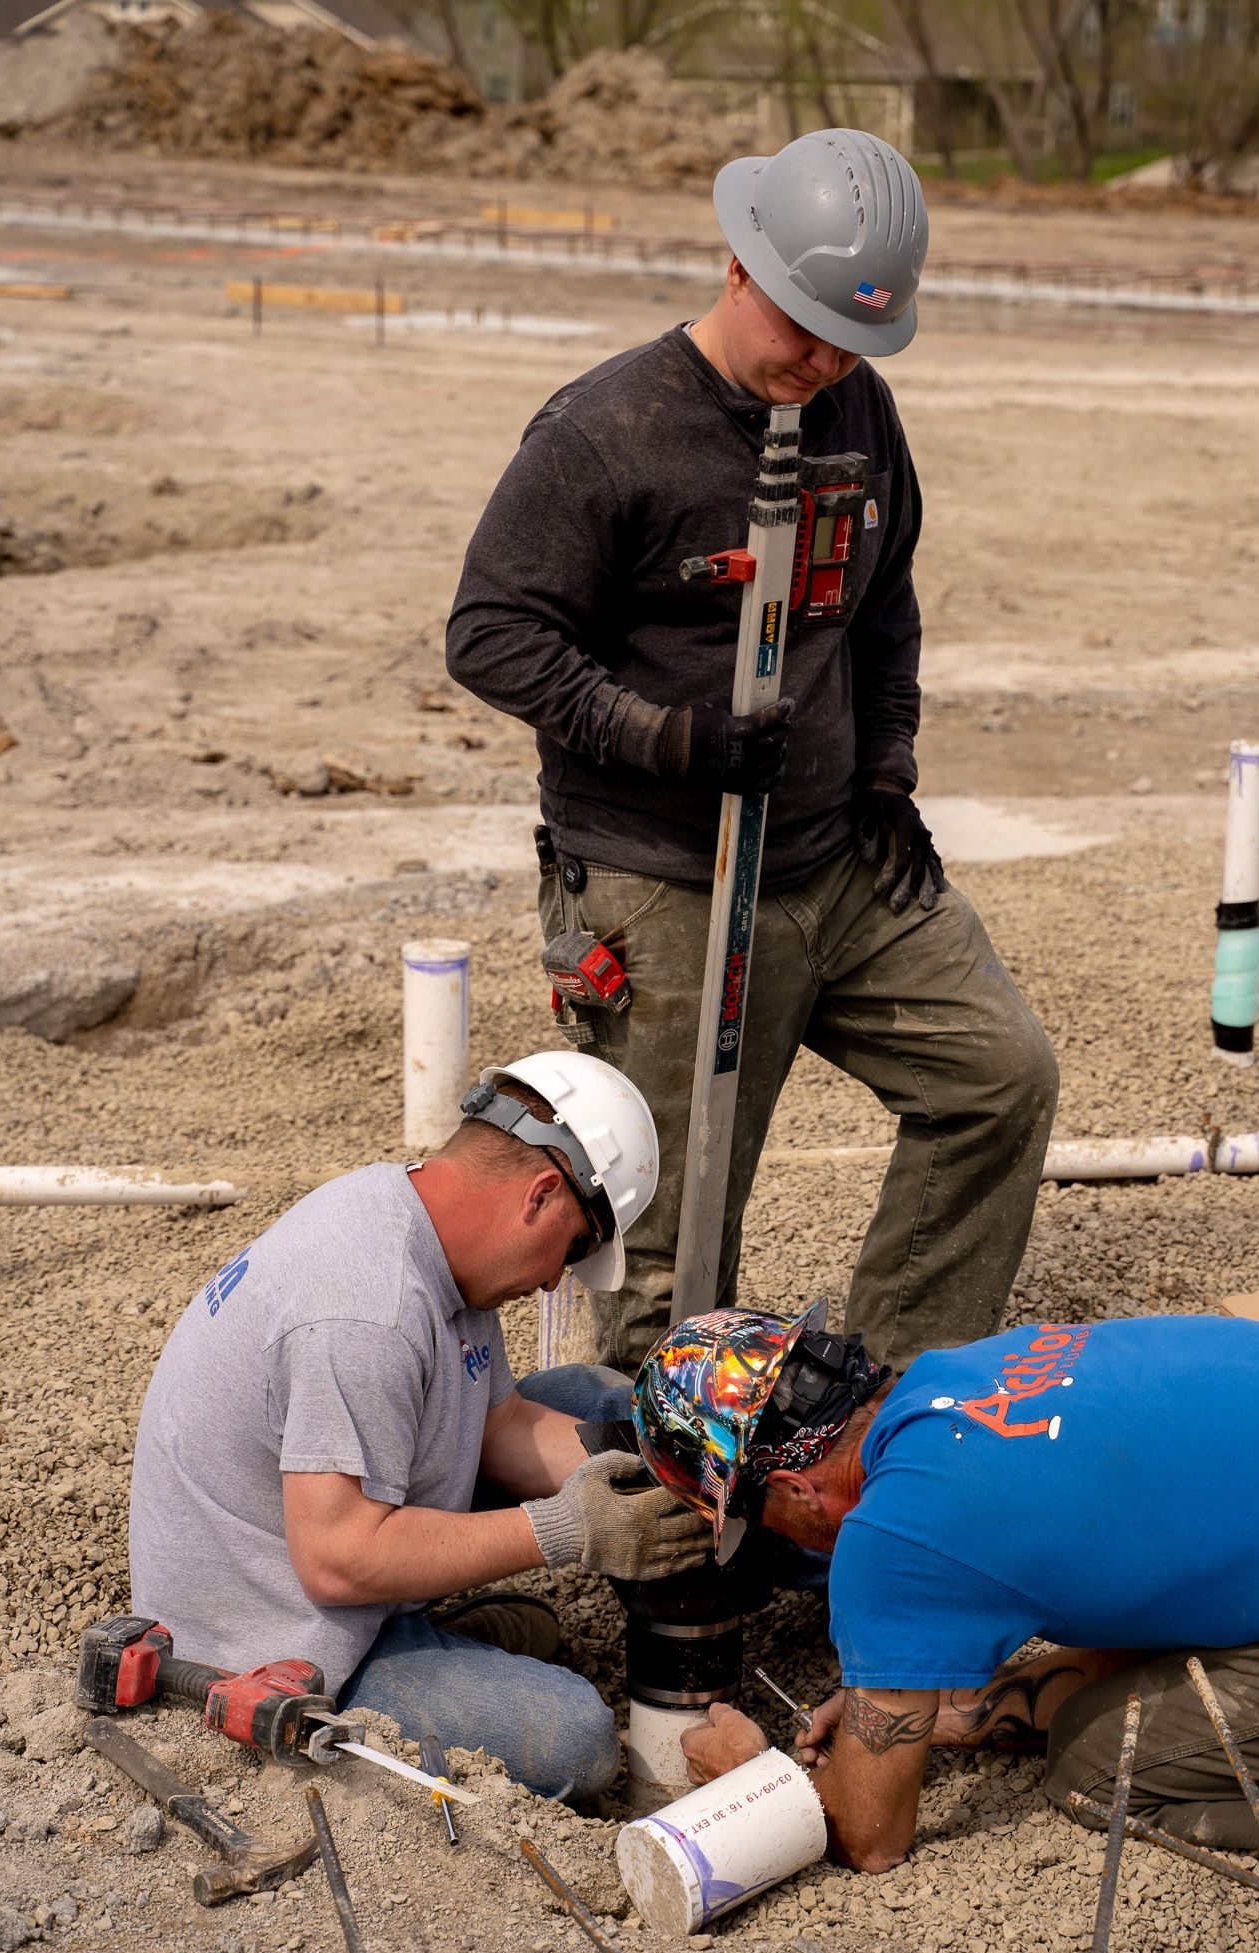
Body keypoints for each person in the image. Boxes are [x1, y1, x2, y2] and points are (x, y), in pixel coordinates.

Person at [446, 129, 1058, 1378]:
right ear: (739, 265)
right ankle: (667, 1469)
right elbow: (491, 635)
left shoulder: (855, 406)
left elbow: (884, 602)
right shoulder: (605, 431)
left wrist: (887, 771)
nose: (823, 362)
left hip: (837, 858)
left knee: (998, 1077)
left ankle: (885, 1403)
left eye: (851, 341)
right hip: (666, 874)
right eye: (805, 327)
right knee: (674, 1231)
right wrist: (666, 737)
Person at [128, 1052, 709, 1801]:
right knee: (574, 1740)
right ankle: (419, 1645)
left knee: (598, 1406)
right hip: (269, 1632)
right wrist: (569, 1529)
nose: (552, 1281)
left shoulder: (424, 1221)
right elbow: (337, 1561)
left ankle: (440, 1630)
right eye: (572, 1249)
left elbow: (500, 1424)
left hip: (317, 1541)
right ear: (539, 1195)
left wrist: (655, 1476)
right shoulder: (365, 1311)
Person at [632, 1304, 1259, 1866]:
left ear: (794, 1488)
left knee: (1094, 1761)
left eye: (760, 1522)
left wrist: (753, 1778)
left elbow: (869, 1839)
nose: (783, 1539)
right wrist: (938, 1715)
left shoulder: (891, 1538)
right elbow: (1147, 1631)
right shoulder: (971, 1369)